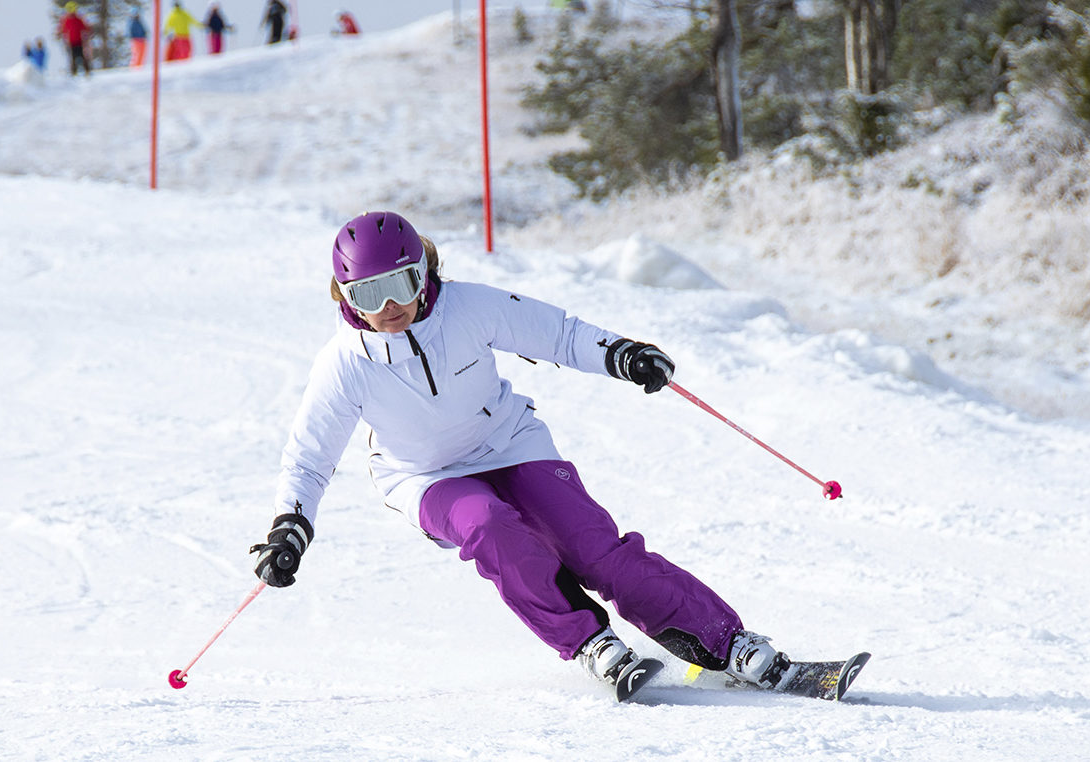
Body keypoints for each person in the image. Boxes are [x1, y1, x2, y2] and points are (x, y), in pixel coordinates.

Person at [250, 211, 833, 700]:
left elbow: (557, 332)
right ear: (344, 295)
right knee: (488, 525)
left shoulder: (469, 307)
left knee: (594, 548)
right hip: (424, 477)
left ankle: (729, 644)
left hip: (508, 442)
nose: (388, 307)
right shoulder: (343, 363)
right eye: (366, 295)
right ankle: (590, 642)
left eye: (400, 285)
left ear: (423, 274)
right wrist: (291, 525)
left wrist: (621, 354)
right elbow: (309, 459)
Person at [57, 2, 92, 77]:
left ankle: (87, 71)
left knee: (82, 56)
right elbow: (62, 30)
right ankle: (74, 72)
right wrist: (59, 34)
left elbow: (85, 28)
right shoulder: (65, 20)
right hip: (71, 43)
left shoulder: (78, 19)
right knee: (73, 58)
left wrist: (88, 32)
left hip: (79, 41)